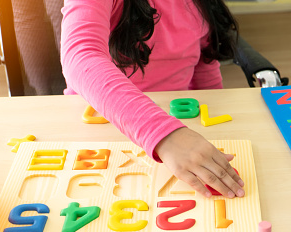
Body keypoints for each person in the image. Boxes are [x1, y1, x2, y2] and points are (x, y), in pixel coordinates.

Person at [61, 0, 245, 199]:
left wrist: (218, 131)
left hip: (179, 130)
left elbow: (204, 64)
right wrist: (163, 134)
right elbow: (81, 56)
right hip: (105, 128)